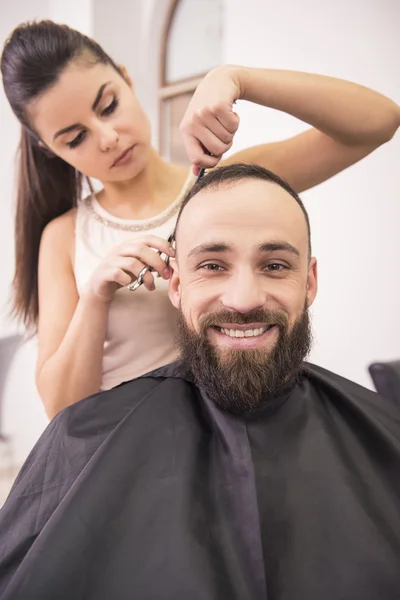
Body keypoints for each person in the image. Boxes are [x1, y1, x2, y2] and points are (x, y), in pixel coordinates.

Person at [1, 163, 400, 600]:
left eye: (274, 265)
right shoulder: (88, 439)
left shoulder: (383, 431)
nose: (244, 299)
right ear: (176, 286)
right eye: (212, 265)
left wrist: (239, 87)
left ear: (310, 282)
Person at [1, 21, 399, 419]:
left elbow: (379, 121)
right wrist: (95, 297)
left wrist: (236, 78)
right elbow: (61, 408)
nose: (107, 137)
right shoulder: (65, 236)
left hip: (241, 435)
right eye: (75, 138)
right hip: (126, 454)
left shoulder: (227, 186)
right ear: (47, 147)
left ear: (126, 79)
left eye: (108, 106)